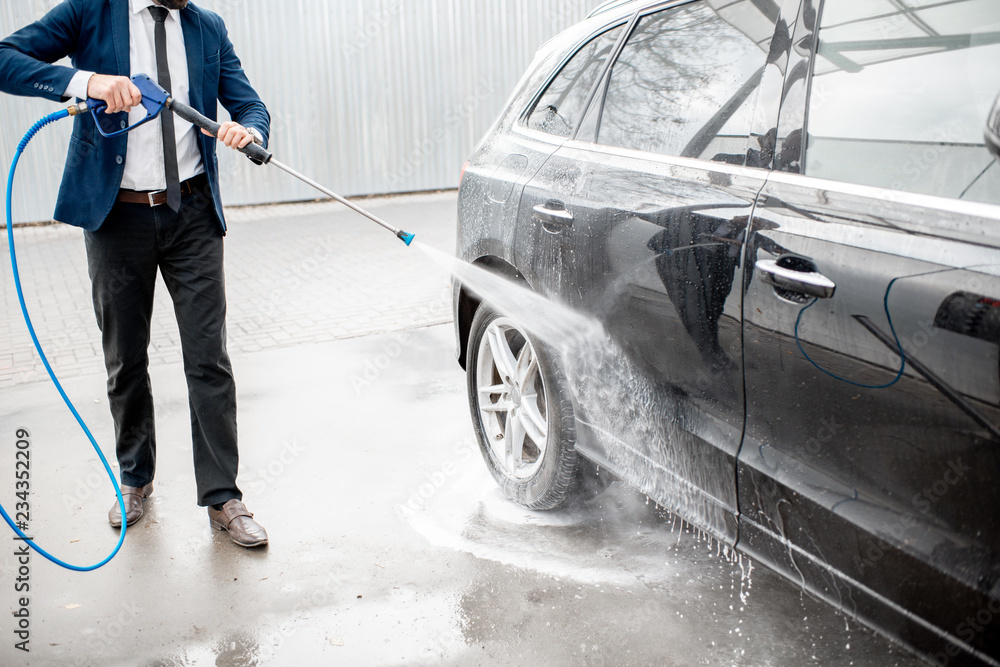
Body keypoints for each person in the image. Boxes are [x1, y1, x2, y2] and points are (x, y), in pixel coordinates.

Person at [0, 0, 269, 548]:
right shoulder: (88, 13)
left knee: (208, 357)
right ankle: (134, 480)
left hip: (191, 212)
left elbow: (250, 105)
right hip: (115, 215)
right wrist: (89, 82)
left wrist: (248, 129)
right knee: (126, 355)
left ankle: (223, 496)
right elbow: (6, 59)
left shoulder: (206, 27)